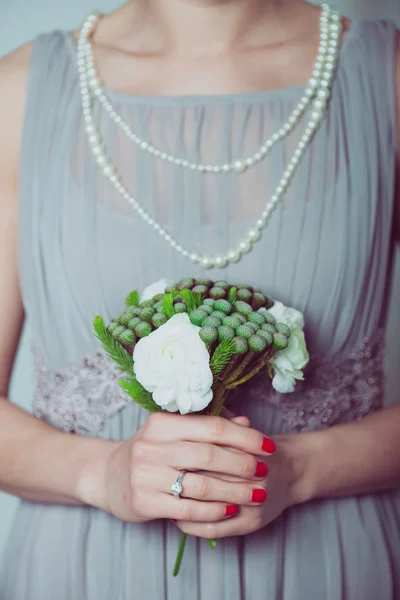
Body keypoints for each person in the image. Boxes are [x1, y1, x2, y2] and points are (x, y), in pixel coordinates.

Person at [0, 0, 399, 598]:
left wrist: (300, 470)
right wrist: (102, 475)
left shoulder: (385, 79)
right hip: (82, 571)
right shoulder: (19, 94)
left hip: (332, 562)